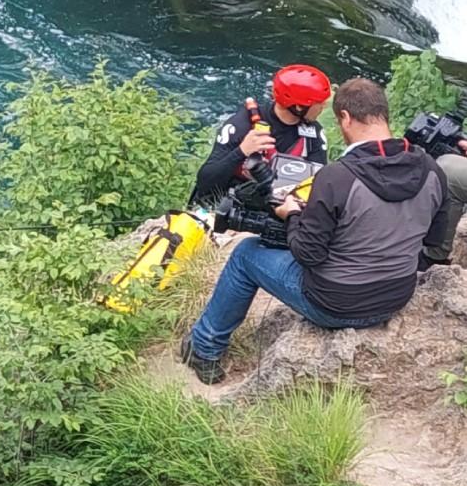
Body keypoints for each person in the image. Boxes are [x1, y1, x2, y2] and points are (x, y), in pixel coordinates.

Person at [179, 78, 450, 384]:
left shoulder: (338, 178)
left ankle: (204, 348)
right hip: (396, 296)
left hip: (334, 305)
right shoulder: (431, 169)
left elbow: (308, 253)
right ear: (383, 114)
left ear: (345, 118)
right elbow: (434, 242)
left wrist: (292, 214)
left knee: (245, 255)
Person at [190, 64, 331, 207]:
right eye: (319, 103)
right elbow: (205, 182)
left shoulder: (313, 135)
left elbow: (318, 187)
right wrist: (241, 151)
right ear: (299, 107)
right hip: (231, 205)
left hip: (278, 210)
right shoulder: (240, 125)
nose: (324, 106)